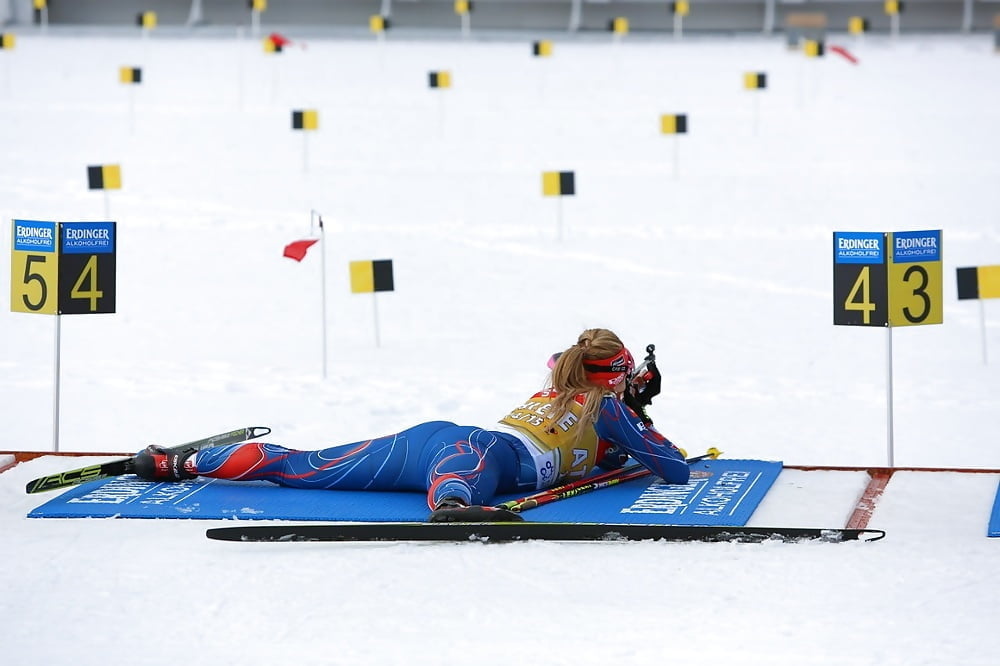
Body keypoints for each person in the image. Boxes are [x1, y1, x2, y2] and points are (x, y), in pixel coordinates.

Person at [134, 328, 690, 522]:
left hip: (434, 439)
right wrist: (640, 412)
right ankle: (449, 503)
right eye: (626, 375)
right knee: (466, 472)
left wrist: (627, 426)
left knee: (303, 467)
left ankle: (174, 463)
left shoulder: (562, 388)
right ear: (613, 376)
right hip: (475, 453)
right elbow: (673, 468)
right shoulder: (610, 409)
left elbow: (602, 452)